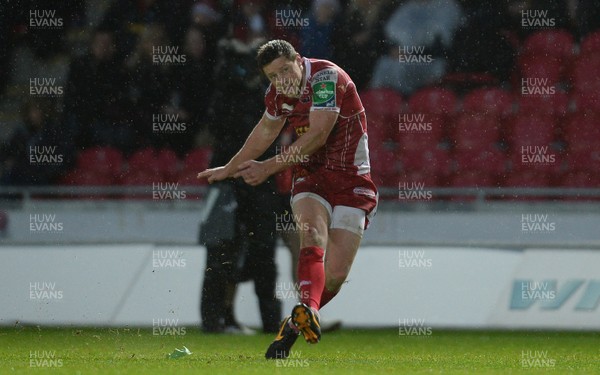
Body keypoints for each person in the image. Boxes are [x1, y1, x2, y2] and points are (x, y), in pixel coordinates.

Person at [197, 39, 378, 359]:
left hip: (352, 181)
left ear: (298, 59)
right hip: (311, 177)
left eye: (284, 70)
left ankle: (294, 325)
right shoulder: (278, 95)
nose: (281, 81)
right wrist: (230, 167)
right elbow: (264, 133)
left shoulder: (325, 78)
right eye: (272, 77)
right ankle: (307, 310)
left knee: (335, 275)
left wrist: (268, 166)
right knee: (311, 234)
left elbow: (319, 133)